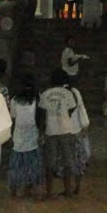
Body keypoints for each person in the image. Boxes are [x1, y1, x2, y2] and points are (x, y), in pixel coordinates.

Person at [37, 68, 79, 198]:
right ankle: (67, 190)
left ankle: (49, 191)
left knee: (50, 162)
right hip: (65, 129)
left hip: (51, 129)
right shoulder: (68, 93)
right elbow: (72, 109)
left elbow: (42, 114)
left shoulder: (45, 94)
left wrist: (41, 131)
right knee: (67, 161)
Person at [6, 73, 42, 199]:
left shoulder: (15, 100)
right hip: (32, 135)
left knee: (17, 165)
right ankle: (31, 190)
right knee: (32, 165)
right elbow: (39, 117)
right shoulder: (37, 98)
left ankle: (14, 192)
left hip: (19, 136)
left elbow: (13, 118)